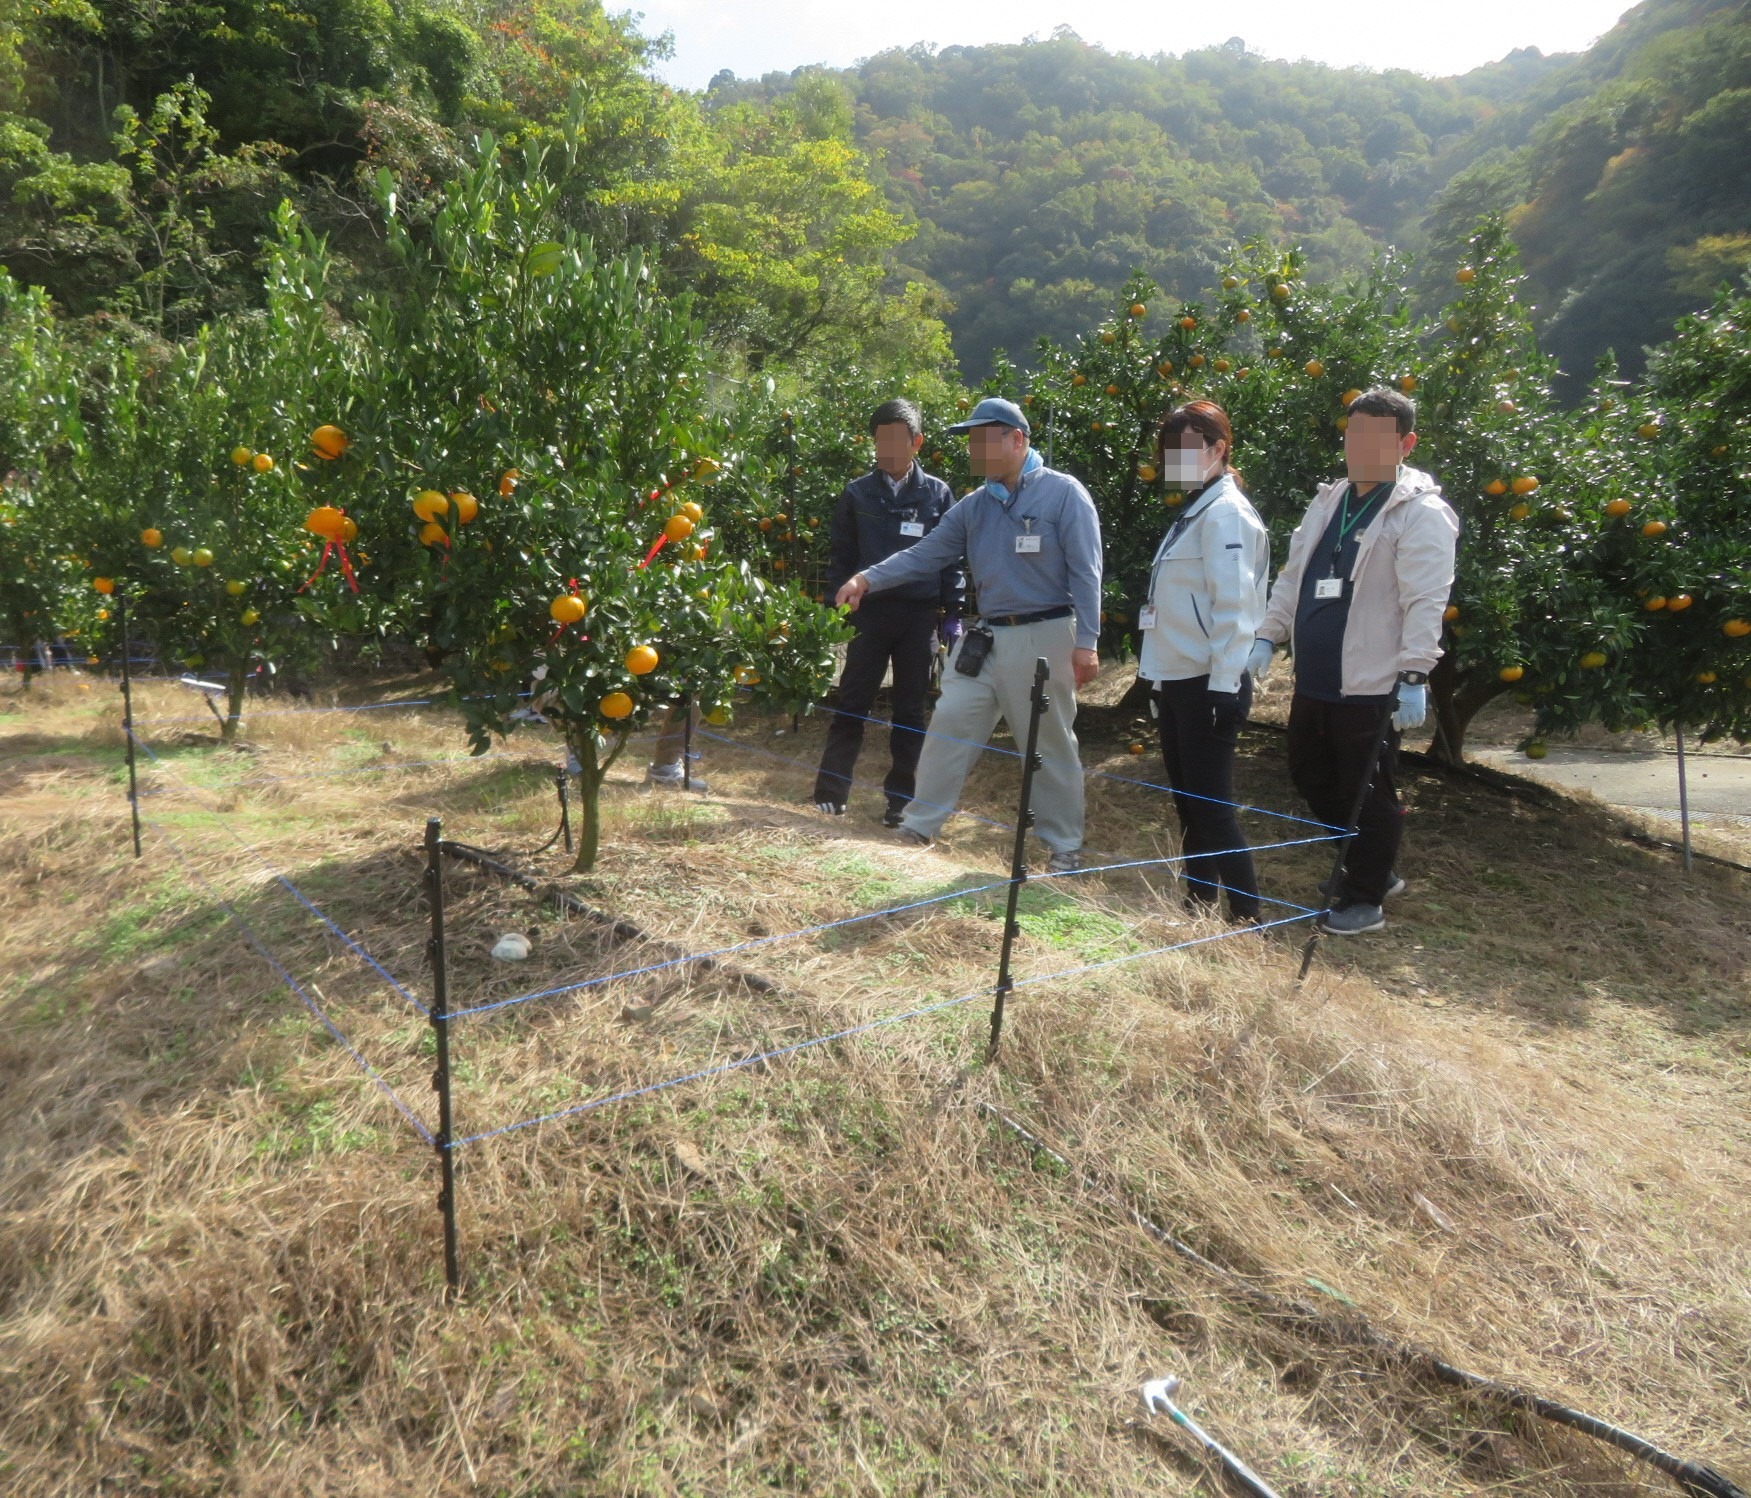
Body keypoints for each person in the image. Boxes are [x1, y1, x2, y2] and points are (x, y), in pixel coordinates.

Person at [835, 397, 1102, 873]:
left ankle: (1065, 848)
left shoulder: (1063, 494)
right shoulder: (975, 506)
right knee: (949, 722)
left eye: (982, 440)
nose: (974, 451)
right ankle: (919, 825)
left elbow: (1087, 571)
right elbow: (926, 553)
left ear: (1016, 440)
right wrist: (867, 578)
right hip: (987, 639)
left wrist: (1088, 642)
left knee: (1048, 743)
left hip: (1046, 635)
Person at [1249, 387, 1458, 935]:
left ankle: (1366, 895)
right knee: (1309, 772)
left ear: (1405, 442)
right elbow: (1294, 577)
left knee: (1368, 788)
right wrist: (1268, 636)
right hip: (1316, 676)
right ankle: (1373, 863)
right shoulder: (1329, 501)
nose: (1359, 446)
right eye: (1353, 434)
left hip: (1372, 680)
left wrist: (1415, 675)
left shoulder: (1420, 513)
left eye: (1375, 437)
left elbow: (1425, 599)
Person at [1136, 400, 1271, 923]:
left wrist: (1222, 683)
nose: (1176, 459)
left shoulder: (1226, 514)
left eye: (1188, 448)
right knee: (1188, 804)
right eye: (1169, 449)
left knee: (1213, 808)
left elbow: (1235, 608)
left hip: (1208, 684)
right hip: (1177, 677)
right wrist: (1154, 677)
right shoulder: (1195, 511)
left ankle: (1247, 919)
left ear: (1218, 449)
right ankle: (1197, 906)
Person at [812, 398, 964, 825]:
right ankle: (831, 792)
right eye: (880, 440)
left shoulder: (937, 493)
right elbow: (841, 556)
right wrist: (834, 609)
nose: (887, 449)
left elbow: (950, 557)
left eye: (896, 440)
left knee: (910, 711)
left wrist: (952, 609)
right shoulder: (857, 492)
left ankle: (901, 802)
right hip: (870, 615)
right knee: (853, 701)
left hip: (918, 616)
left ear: (916, 443)